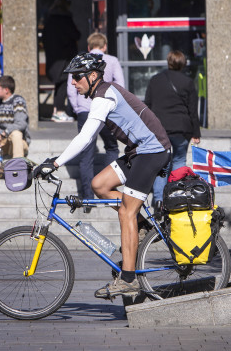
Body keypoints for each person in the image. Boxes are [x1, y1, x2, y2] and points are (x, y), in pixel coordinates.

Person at [33, 53, 170, 299]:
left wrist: (55, 162)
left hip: (152, 150)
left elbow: (86, 138)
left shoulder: (103, 96)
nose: (73, 83)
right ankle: (140, 226)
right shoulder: (101, 93)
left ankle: (128, 279)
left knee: (126, 211)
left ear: (93, 76)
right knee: (99, 184)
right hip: (137, 151)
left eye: (77, 77)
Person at [66, 33, 123, 207]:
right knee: (112, 147)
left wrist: (78, 108)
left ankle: (88, 198)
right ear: (105, 46)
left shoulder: (80, 60)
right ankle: (109, 193)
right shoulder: (112, 60)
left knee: (86, 155)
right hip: (107, 110)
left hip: (85, 111)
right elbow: (120, 84)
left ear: (89, 47)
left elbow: (71, 88)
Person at [144, 50, 201, 209]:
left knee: (162, 165)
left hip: (160, 129)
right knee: (178, 161)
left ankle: (159, 202)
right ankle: (175, 200)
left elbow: (147, 105)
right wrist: (196, 133)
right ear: (183, 63)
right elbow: (192, 110)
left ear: (168, 62)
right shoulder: (188, 82)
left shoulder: (155, 80)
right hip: (182, 129)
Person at [42, 0, 81, 122]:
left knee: (59, 84)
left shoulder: (49, 20)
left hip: (52, 57)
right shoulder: (65, 20)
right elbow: (76, 35)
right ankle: (59, 111)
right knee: (64, 82)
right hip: (65, 56)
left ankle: (55, 111)